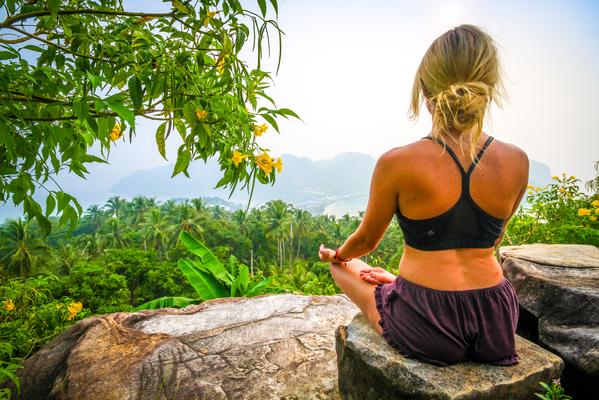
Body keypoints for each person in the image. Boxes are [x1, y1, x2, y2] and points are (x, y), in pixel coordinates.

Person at [318, 24, 529, 366]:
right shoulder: (518, 161)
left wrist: (338, 254)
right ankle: (397, 287)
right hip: (496, 318)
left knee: (343, 266)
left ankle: (381, 285)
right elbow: (489, 242)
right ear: (488, 87)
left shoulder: (397, 162)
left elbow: (367, 242)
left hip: (426, 319)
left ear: (426, 91)